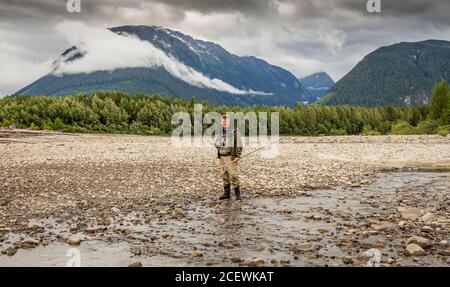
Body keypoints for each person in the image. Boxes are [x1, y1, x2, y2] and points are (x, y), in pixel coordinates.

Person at [216, 114, 242, 200]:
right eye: (223, 121)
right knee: (224, 175)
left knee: (233, 175)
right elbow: (216, 144)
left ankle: (238, 195)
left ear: (229, 122)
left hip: (230, 156)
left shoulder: (234, 131)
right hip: (221, 156)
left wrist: (238, 155)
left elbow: (239, 144)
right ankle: (227, 194)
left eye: (226, 121)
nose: (224, 122)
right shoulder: (220, 131)